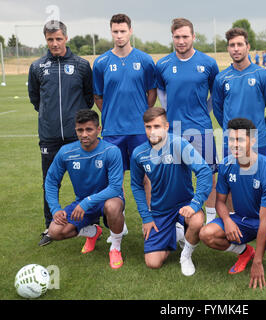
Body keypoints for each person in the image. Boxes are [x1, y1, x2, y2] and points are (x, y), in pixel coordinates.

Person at [199, 118, 266, 290]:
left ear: (253, 140)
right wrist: (227, 221)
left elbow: (265, 221)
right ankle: (245, 252)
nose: (235, 144)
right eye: (231, 139)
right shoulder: (226, 164)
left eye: (240, 139)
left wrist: (258, 262)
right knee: (207, 234)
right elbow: (220, 202)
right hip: (242, 219)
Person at [28, 20, 93, 247]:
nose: (54, 43)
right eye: (50, 39)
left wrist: (73, 120)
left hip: (77, 136)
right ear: (45, 40)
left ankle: (90, 223)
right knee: (49, 181)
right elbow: (36, 99)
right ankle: (49, 224)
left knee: (86, 181)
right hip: (50, 135)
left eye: (58, 38)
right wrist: (51, 119)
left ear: (66, 38)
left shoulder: (82, 65)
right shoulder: (37, 67)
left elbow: (88, 98)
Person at [93, 13, 157, 240]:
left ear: (130, 31)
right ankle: (118, 227)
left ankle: (153, 220)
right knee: (113, 180)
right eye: (115, 31)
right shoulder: (101, 63)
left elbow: (151, 94)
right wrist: (112, 115)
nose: (119, 35)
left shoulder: (146, 60)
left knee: (147, 176)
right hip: (112, 132)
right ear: (111, 32)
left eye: (123, 31)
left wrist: (140, 117)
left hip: (140, 131)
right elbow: (98, 97)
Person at [130, 107, 213, 276]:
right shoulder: (139, 153)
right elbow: (136, 185)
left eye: (157, 126)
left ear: (166, 126)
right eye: (148, 127)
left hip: (184, 205)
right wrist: (146, 217)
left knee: (197, 221)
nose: (152, 131)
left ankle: (186, 256)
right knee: (153, 263)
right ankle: (174, 234)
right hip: (160, 210)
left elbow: (204, 171)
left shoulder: (179, 144)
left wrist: (195, 204)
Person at [156, 18, 219, 224]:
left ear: (193, 36)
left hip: (202, 128)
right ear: (172, 37)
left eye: (185, 36)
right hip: (173, 130)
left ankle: (210, 218)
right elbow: (161, 92)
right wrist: (168, 112)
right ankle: (178, 220)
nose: (181, 41)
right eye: (177, 37)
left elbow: (215, 95)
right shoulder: (163, 64)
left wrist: (204, 110)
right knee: (176, 177)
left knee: (209, 174)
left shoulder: (208, 63)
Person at [45, 109, 125, 269]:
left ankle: (115, 247)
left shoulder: (111, 151)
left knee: (113, 206)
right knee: (54, 231)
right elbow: (51, 181)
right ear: (75, 130)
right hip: (82, 202)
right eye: (80, 130)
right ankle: (93, 232)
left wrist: (87, 202)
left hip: (106, 200)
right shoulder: (66, 152)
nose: (84, 134)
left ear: (98, 130)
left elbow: (116, 188)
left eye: (89, 129)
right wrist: (55, 209)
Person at [212, 27, 266, 160]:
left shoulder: (262, 74)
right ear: (228, 49)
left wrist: (262, 130)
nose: (236, 49)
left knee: (259, 179)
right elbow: (218, 110)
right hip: (231, 142)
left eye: (240, 44)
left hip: (257, 141)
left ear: (247, 46)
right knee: (233, 180)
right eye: (232, 45)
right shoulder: (221, 78)